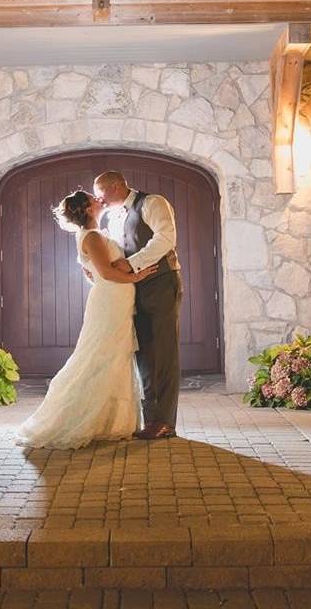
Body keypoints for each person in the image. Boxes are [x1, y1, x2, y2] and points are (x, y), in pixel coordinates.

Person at [15, 190, 157, 449]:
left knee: (115, 355)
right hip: (111, 302)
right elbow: (106, 273)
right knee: (102, 355)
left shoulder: (95, 235)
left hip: (117, 299)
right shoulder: (91, 236)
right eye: (93, 199)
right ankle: (82, 418)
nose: (98, 199)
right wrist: (138, 275)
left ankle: (112, 421)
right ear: (88, 209)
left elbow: (95, 271)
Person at [93, 171, 182, 440]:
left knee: (163, 353)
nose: (98, 198)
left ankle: (164, 422)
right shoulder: (116, 216)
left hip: (162, 283)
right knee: (143, 352)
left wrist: (132, 264)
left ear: (117, 185)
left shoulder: (153, 203)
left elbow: (166, 238)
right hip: (134, 287)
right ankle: (151, 420)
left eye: (101, 192)